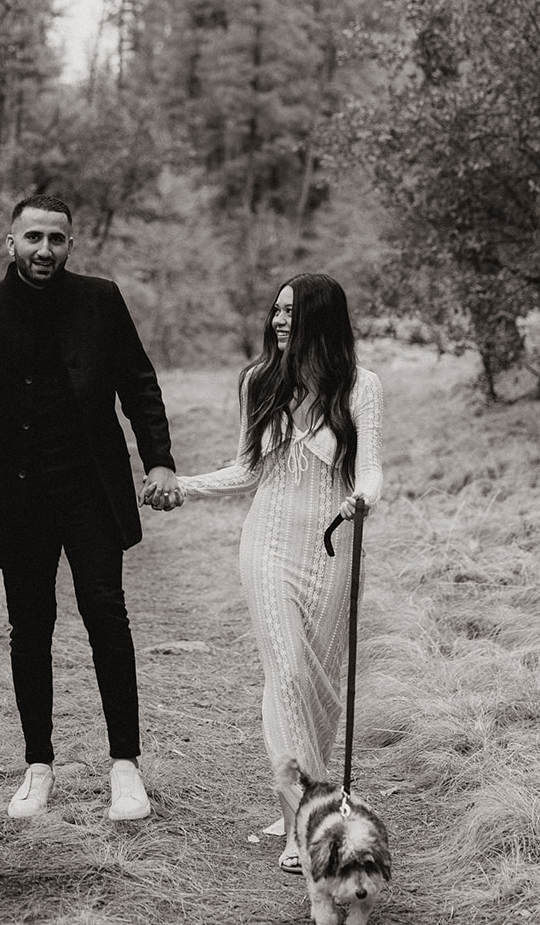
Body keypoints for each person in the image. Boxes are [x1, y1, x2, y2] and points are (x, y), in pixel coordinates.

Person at [0, 195, 181, 823]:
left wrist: (158, 460)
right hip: (15, 497)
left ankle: (125, 767)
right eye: (34, 238)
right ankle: (37, 766)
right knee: (30, 628)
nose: (45, 250)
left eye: (57, 240)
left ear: (71, 245)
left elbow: (138, 382)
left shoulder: (100, 300)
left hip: (90, 489)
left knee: (107, 615)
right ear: (9, 241)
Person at [148, 273, 382, 872]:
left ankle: (312, 794)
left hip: (332, 546)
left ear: (320, 321)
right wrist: (185, 485)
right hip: (270, 543)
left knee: (322, 686)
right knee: (286, 672)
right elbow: (249, 469)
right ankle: (303, 818)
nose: (278, 321)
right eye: (275, 311)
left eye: (291, 313)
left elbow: (371, 468)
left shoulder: (361, 387)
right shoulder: (259, 382)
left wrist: (364, 498)